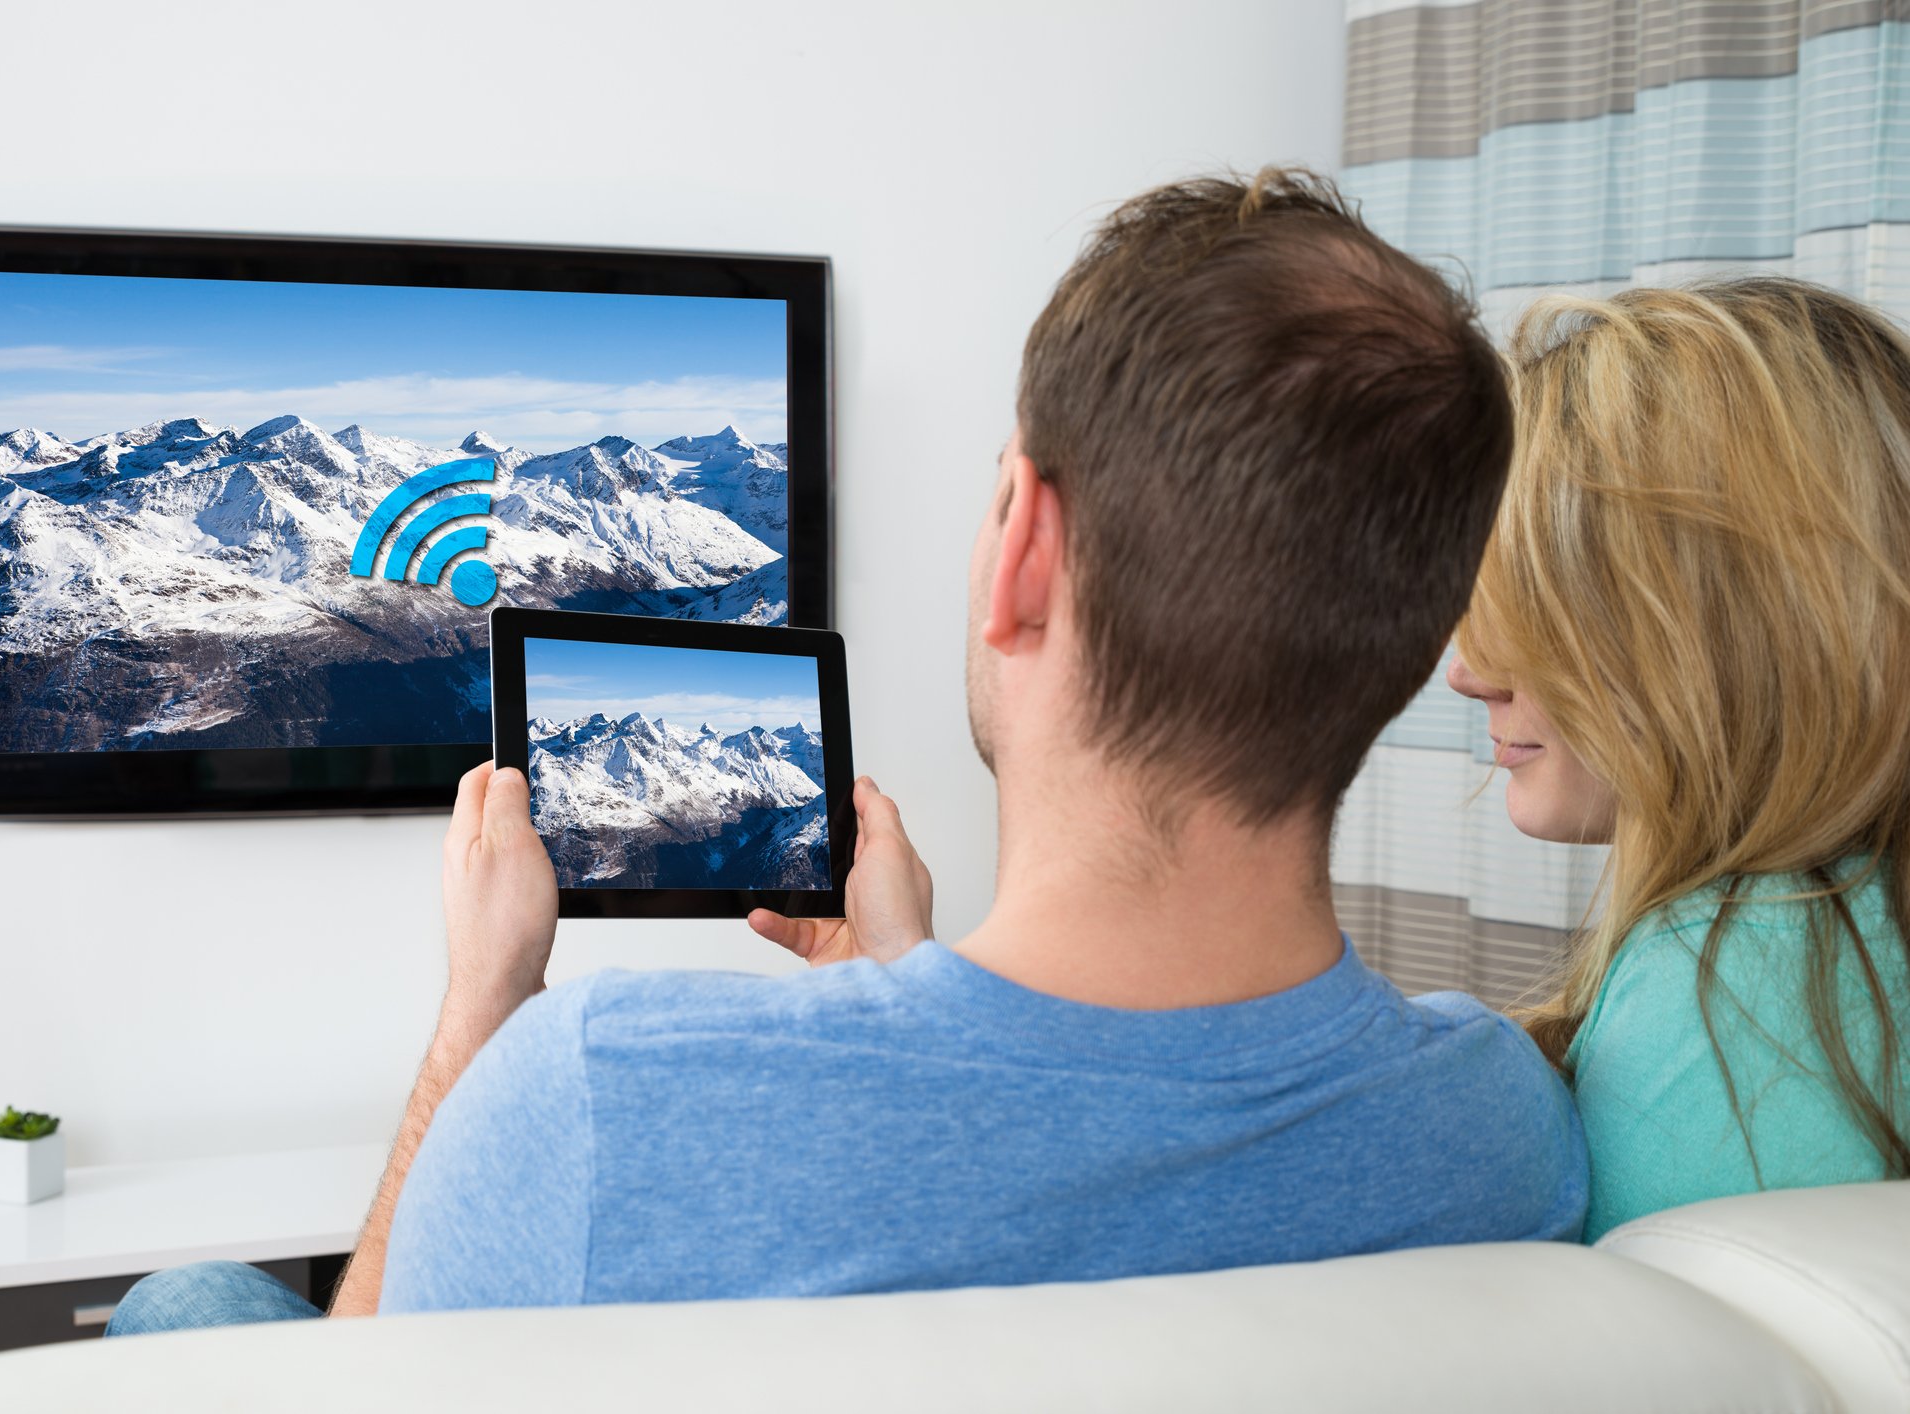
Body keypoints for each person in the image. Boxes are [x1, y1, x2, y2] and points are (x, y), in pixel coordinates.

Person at [109, 168, 1585, 1336]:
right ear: (1416, 632)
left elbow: (378, 1393)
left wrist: (473, 1022)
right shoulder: (1500, 1129)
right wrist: (900, 982)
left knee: (186, 1307)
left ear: (1021, 548)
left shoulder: (595, 1096)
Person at [1447, 277, 1910, 1241]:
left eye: (1544, 610)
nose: (1470, 673)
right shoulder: (1849, 923)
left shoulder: (1743, 987)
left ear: (1729, 631)